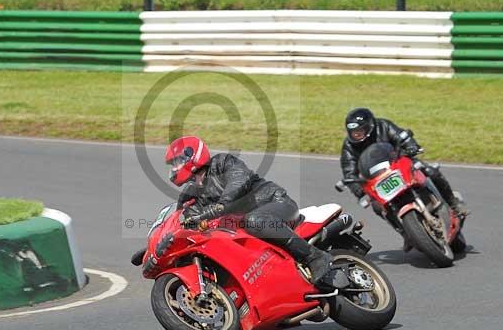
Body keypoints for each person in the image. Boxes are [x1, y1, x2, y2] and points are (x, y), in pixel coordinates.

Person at [165, 135, 345, 287]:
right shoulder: (191, 194)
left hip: (275, 203)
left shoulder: (222, 162)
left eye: (177, 162)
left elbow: (240, 180)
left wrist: (222, 204)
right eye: (172, 165)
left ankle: (315, 257)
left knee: (255, 220)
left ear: (192, 156)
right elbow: (182, 218)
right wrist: (160, 245)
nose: (174, 168)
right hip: (245, 228)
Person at [339, 108, 469, 225]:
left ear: (369, 126)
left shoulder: (383, 126)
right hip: (378, 178)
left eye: (359, 131)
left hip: (399, 163)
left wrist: (411, 146)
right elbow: (349, 172)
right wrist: (359, 190)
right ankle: (405, 231)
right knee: (377, 206)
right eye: (353, 132)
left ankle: (453, 203)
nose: (356, 134)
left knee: (430, 171)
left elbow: (401, 136)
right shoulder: (349, 146)